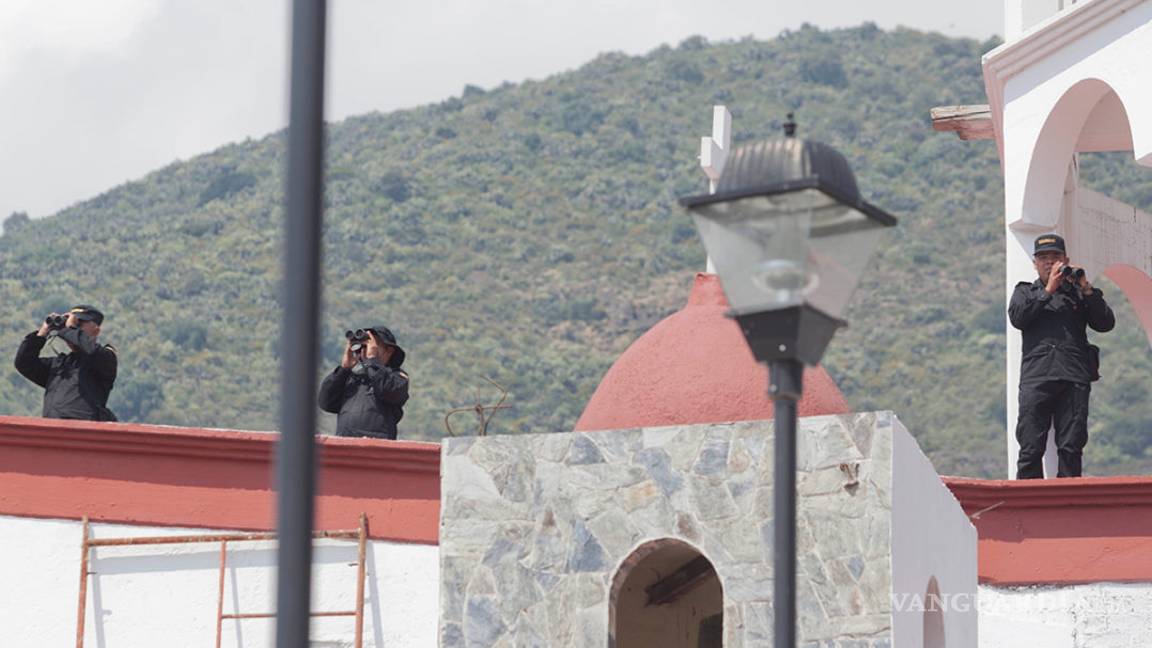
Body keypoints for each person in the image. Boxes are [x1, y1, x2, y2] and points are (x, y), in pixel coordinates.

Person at [1009, 234, 1114, 478]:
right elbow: (1018, 318)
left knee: (1071, 446)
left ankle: (1069, 497)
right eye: (1043, 258)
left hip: (1073, 376)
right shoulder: (1025, 292)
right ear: (1035, 263)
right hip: (1037, 378)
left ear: (1065, 260)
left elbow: (1105, 323)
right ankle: (1028, 497)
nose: (1049, 262)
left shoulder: (1079, 293)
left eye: (1055, 256)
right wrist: (1048, 291)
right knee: (1030, 446)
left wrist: (1086, 289)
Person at [14, 305, 118, 421]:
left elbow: (90, 350)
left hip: (83, 428)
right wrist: (42, 334)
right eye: (72, 322)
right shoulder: (59, 365)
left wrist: (70, 328)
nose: (74, 326)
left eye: (79, 323)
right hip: (52, 428)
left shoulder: (105, 358)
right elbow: (24, 363)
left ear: (96, 330)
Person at [317, 325, 409, 439]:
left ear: (389, 350)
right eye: (363, 346)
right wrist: (344, 369)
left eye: (370, 345)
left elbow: (388, 391)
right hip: (346, 443)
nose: (365, 350)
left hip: (377, 444)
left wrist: (373, 361)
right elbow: (326, 402)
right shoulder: (353, 378)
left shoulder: (397, 377)